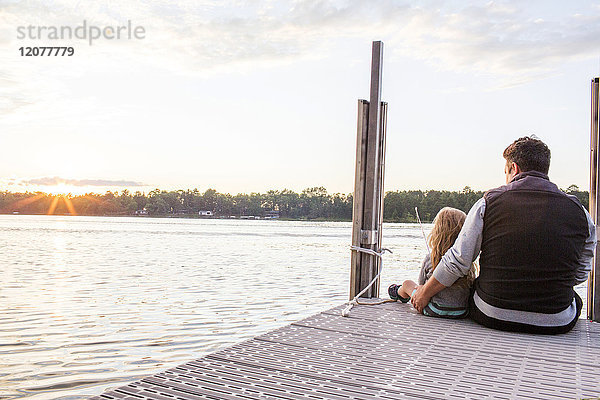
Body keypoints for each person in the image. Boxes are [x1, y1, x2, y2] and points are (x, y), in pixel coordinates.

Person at [411, 136, 596, 334]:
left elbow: (457, 261)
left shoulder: (488, 202)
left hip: (492, 314)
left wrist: (424, 292)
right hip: (556, 320)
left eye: (505, 172)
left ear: (513, 168)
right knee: (575, 299)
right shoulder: (581, 213)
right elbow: (580, 273)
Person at [388, 207, 477, 318]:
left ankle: (398, 293)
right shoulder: (466, 261)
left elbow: (421, 285)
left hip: (433, 309)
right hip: (462, 311)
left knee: (407, 284)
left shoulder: (430, 258)